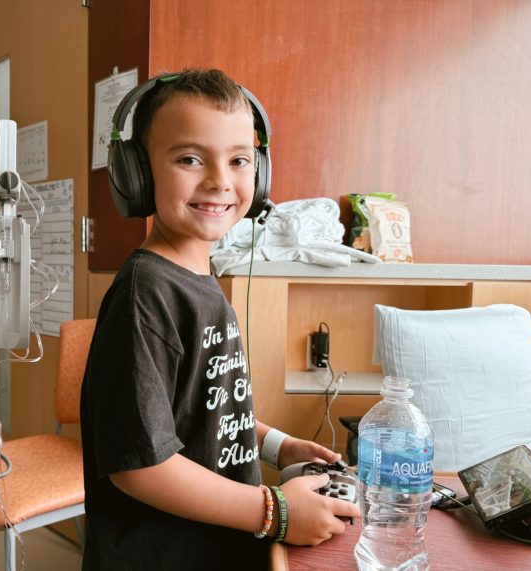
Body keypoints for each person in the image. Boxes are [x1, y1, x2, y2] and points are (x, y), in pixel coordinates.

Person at [80, 68, 360, 570]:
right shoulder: (146, 294)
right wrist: (275, 511)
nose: (220, 181)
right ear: (138, 173)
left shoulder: (199, 280)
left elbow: (204, 410)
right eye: (190, 158)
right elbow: (140, 467)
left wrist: (276, 446)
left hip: (216, 547)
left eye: (239, 160)